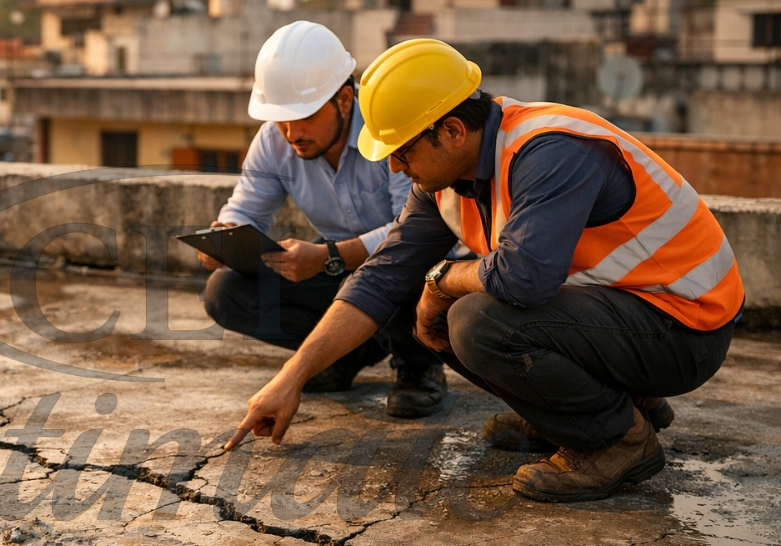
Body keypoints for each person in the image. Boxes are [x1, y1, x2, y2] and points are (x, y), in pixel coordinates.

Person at [226, 39, 743, 503]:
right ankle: (597, 408)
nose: (394, 169)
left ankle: (618, 440)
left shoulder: (549, 149)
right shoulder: (448, 179)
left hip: (686, 327)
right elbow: (381, 277)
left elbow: (526, 277)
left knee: (476, 319)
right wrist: (290, 380)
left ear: (451, 131)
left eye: (402, 152)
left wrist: (440, 282)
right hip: (622, 319)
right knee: (443, 320)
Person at [200, 21, 446, 417]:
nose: (291, 132)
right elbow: (245, 209)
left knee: (406, 270)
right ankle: (342, 355)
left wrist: (330, 254)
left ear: (345, 100)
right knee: (224, 290)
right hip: (337, 269)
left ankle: (419, 368)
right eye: (281, 119)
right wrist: (225, 236)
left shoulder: (389, 125)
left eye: (304, 117)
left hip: (408, 265)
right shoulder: (273, 139)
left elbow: (415, 231)